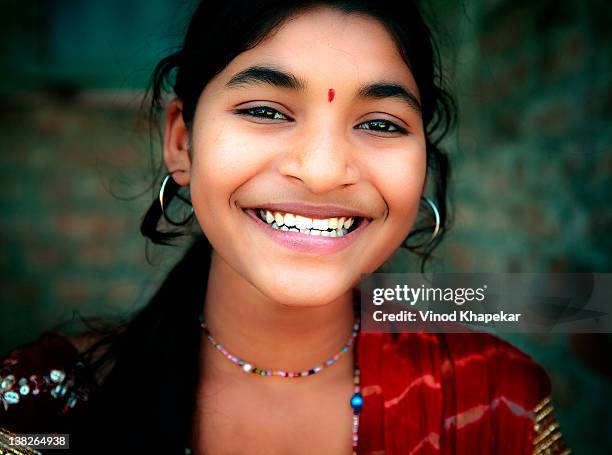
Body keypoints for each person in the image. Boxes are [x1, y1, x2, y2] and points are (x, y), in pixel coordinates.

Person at [0, 1, 569, 454]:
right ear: (181, 141)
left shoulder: (494, 403)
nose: (321, 172)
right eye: (265, 111)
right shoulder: (49, 413)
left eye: (379, 122)